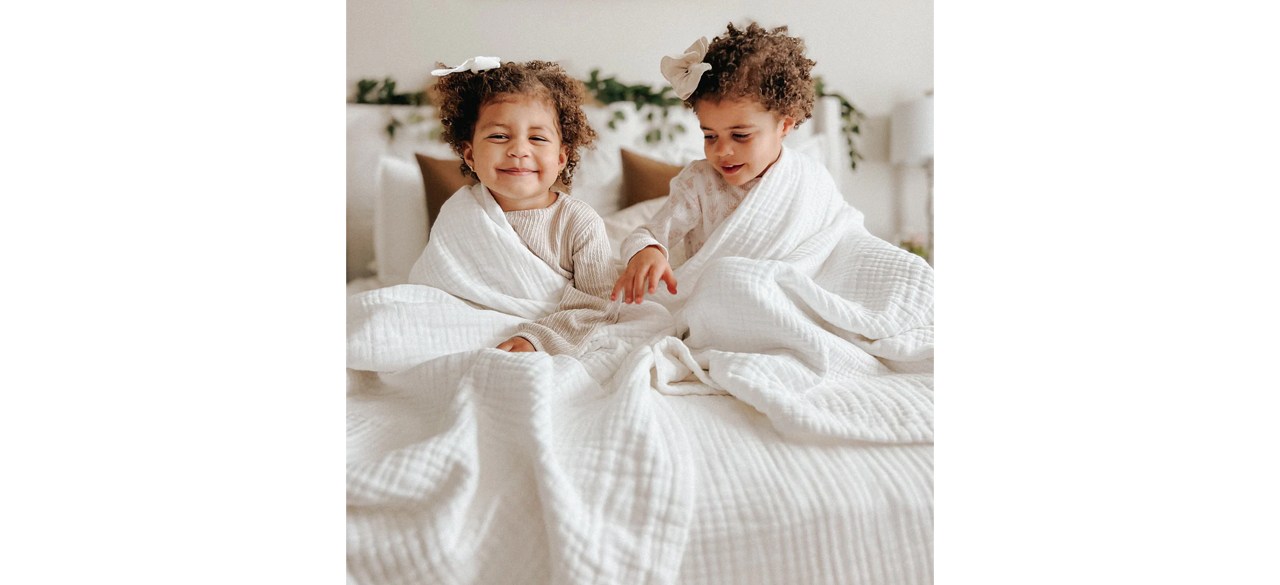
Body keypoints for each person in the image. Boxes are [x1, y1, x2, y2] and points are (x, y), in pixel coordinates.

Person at [611, 22, 819, 304]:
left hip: (778, 296)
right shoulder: (699, 182)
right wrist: (648, 251)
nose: (721, 150)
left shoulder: (805, 177)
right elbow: (648, 234)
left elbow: (836, 237)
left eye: (740, 135)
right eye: (709, 135)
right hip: (713, 299)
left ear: (784, 125)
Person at [431, 58, 615, 355]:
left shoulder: (579, 222)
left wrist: (537, 339)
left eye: (538, 138)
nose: (518, 150)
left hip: (548, 336)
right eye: (499, 136)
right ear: (470, 155)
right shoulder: (460, 213)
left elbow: (599, 304)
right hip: (464, 333)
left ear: (561, 158)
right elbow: (438, 293)